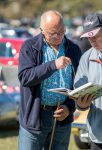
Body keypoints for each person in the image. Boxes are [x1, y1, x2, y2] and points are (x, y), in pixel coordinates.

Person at [18, 10, 81, 150]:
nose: (59, 36)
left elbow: (79, 84)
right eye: (53, 33)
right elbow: (25, 77)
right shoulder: (29, 47)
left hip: (62, 118)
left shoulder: (74, 49)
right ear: (42, 31)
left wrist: (69, 107)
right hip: (35, 118)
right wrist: (53, 65)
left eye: (62, 31)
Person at [74, 13, 102, 150]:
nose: (93, 41)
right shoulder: (86, 57)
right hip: (97, 135)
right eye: (89, 37)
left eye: (96, 36)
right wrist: (81, 103)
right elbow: (79, 90)